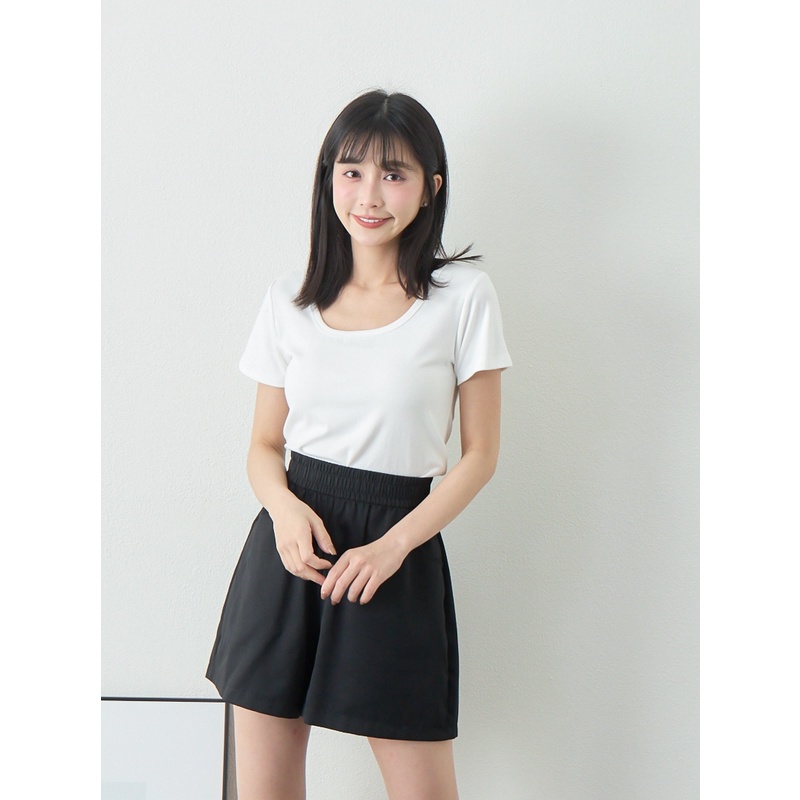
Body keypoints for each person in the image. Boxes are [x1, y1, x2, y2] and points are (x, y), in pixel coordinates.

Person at [206, 89, 512, 800]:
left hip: (396, 549)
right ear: (329, 180)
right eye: (352, 172)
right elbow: (263, 445)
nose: (370, 195)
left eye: (394, 174)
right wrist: (283, 510)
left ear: (430, 187)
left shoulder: (464, 298)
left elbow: (480, 456)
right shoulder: (290, 299)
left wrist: (393, 547)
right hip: (291, 548)